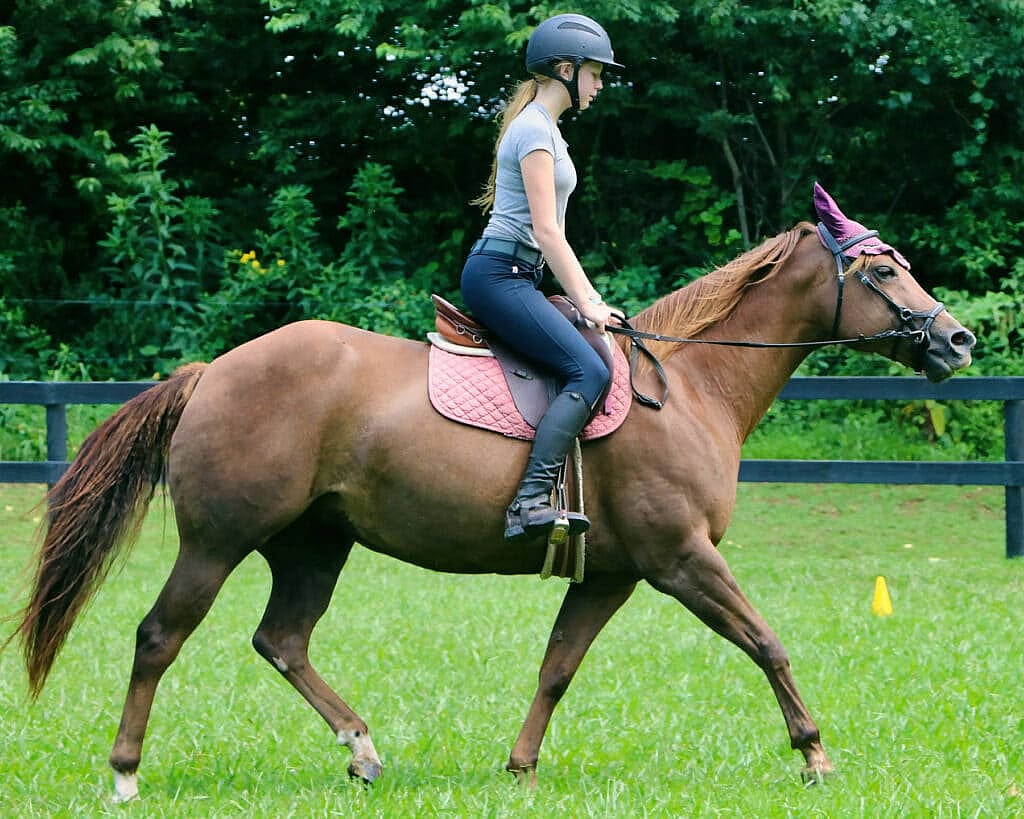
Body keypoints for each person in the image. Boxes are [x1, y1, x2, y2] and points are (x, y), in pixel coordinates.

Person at [461, 13, 625, 546]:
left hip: (520, 275)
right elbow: (548, 233)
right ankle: (530, 501)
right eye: (595, 73)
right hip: (499, 275)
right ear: (565, 68)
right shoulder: (533, 130)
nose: (600, 84)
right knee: (587, 371)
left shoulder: (545, 129)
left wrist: (584, 301)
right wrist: (591, 302)